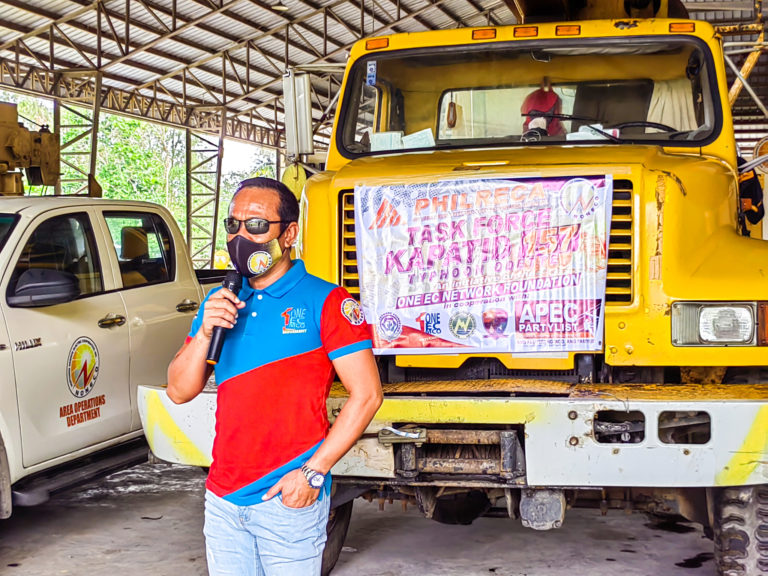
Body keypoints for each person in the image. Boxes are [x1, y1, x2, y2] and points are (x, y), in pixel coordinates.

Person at [167, 177, 383, 576]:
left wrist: (312, 472)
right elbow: (179, 390)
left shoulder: (328, 302)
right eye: (233, 225)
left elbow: (367, 395)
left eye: (256, 225)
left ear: (290, 234)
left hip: (287, 499)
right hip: (223, 499)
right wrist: (203, 333)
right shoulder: (220, 303)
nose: (242, 236)